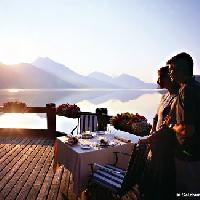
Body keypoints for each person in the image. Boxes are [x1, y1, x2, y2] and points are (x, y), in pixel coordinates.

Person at [141, 66, 179, 200]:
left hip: (166, 148)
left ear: (170, 77)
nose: (158, 81)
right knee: (151, 179)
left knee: (162, 184)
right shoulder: (165, 96)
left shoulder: (177, 98)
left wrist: (149, 139)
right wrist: (152, 133)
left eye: (161, 77)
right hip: (155, 145)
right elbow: (156, 117)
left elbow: (167, 127)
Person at [167, 52, 200, 192]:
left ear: (182, 70)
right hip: (194, 155)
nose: (169, 73)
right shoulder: (194, 87)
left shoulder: (187, 91)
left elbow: (188, 130)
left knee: (188, 193)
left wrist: (170, 125)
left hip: (189, 157)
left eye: (171, 69)